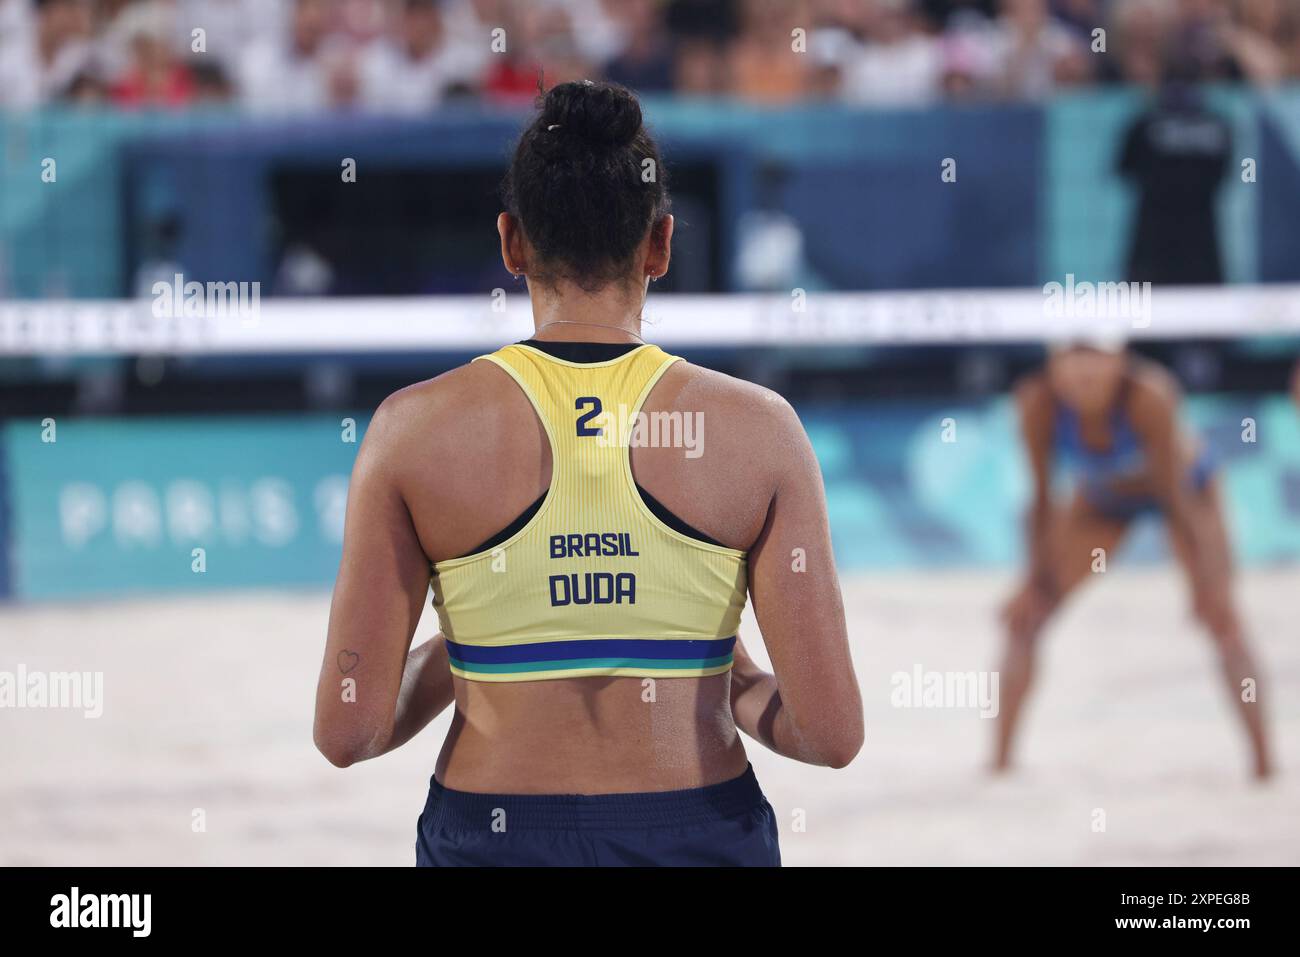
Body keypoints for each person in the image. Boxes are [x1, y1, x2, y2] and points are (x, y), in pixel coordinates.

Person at [314, 80, 863, 866]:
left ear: (511, 243)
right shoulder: (757, 430)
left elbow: (347, 730)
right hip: (696, 828)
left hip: (492, 835)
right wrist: (724, 673)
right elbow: (831, 734)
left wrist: (478, 634)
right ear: (662, 243)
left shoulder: (413, 430)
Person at [996, 339, 1272, 779]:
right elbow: (1041, 501)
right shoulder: (1037, 401)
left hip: (1186, 494)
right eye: (1073, 357)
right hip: (1104, 498)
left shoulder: (1150, 395)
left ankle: (1264, 765)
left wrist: (1207, 581)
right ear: (1053, 364)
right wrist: (1034, 577)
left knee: (1224, 620)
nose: (1084, 371)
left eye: (1096, 357)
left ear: (1120, 361)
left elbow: (1175, 496)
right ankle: (1000, 763)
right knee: (1027, 615)